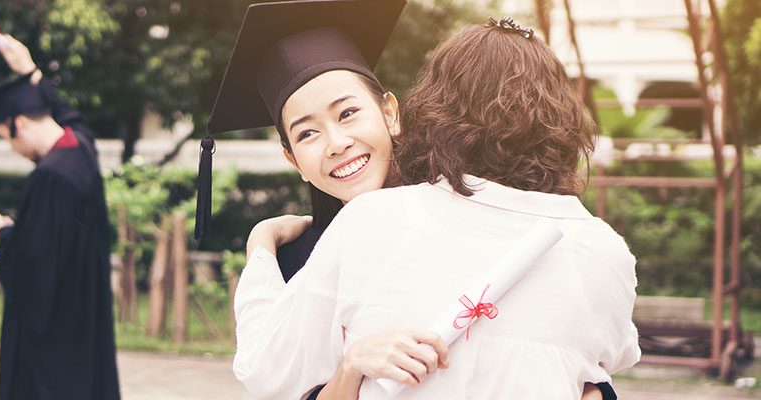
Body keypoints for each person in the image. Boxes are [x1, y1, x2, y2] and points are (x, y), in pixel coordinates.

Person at [236, 14, 640, 400]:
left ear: (397, 113)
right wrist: (351, 368)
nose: (336, 142)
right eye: (307, 133)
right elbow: (610, 355)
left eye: (348, 113)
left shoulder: (376, 222)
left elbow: (263, 368)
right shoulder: (598, 247)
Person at [0, 35, 122, 400]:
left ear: (16, 124)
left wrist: (4, 232)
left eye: (6, 139)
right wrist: (29, 70)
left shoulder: (49, 178)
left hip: (55, 337)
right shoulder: (81, 146)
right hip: (86, 319)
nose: (13, 149)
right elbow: (71, 113)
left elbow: (31, 268)